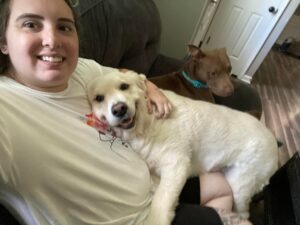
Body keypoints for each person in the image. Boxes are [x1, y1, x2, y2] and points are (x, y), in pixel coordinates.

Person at [0, 0, 252, 225]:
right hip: (137, 218)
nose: (52, 40)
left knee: (222, 186)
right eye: (31, 24)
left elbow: (125, 76)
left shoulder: (80, 70)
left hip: (150, 179)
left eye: (64, 27)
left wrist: (151, 89)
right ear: (3, 41)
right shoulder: (6, 106)